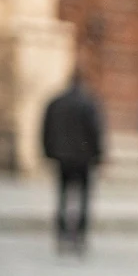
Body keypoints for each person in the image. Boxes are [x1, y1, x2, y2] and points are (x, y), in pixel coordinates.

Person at [40, 73, 104, 255]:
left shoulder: (56, 102)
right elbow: (95, 130)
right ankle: (80, 236)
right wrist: (99, 155)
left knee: (62, 197)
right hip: (83, 159)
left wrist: (47, 152)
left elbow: (45, 128)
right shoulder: (88, 103)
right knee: (83, 199)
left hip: (62, 157)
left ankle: (61, 234)